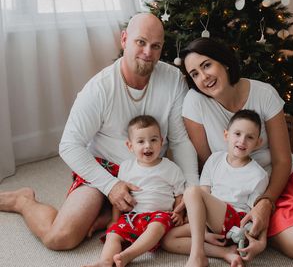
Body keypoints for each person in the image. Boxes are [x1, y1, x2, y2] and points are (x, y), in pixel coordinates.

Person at [163, 37, 293, 262]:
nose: (203, 77)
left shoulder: (263, 93)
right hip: (246, 192)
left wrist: (266, 202)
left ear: (224, 62)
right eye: (194, 73)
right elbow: (209, 163)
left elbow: (282, 160)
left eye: (206, 65)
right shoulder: (194, 103)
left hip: (284, 176)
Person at [0, 13, 198, 250]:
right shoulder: (99, 89)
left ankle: (107, 214)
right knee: (60, 238)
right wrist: (109, 186)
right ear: (124, 40)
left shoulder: (173, 79)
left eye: (155, 46)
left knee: (178, 222)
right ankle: (23, 201)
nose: (148, 52)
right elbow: (69, 145)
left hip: (149, 170)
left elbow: (180, 141)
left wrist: (190, 189)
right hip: (103, 170)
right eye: (140, 42)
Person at [162, 109, 270, 267]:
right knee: (168, 239)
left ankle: (197, 256)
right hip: (211, 223)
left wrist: (262, 242)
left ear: (258, 143)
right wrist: (204, 232)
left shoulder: (258, 175)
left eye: (250, 137)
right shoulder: (214, 160)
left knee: (192, 191)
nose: (242, 141)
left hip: (235, 223)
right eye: (237, 134)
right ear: (226, 135)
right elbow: (204, 194)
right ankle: (224, 253)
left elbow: (258, 214)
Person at [85, 115, 185, 267]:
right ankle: (105, 261)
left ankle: (128, 255)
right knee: (113, 234)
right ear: (130, 146)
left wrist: (178, 212)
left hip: (160, 215)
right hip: (133, 216)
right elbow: (120, 197)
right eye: (141, 141)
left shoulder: (170, 168)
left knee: (156, 227)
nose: (148, 146)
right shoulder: (126, 168)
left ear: (162, 141)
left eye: (153, 140)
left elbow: (179, 194)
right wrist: (114, 219)